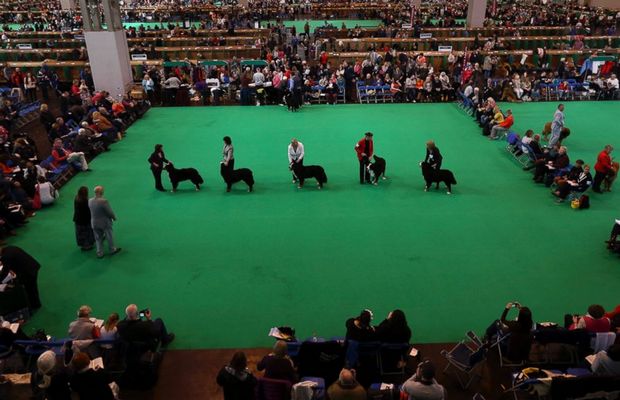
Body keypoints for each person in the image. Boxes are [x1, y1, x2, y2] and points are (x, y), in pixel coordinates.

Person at [88, 186, 121, 259]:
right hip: (104, 223)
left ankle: (99, 253)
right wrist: (114, 217)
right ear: (101, 192)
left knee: (98, 238)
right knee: (109, 236)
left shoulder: (90, 200)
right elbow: (109, 212)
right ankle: (112, 249)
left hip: (94, 223)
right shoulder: (104, 201)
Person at [74, 186, 94, 251]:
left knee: (80, 233)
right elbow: (88, 210)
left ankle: (83, 245)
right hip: (85, 219)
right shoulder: (85, 201)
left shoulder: (76, 198)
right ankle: (87, 245)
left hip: (77, 219)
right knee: (88, 231)